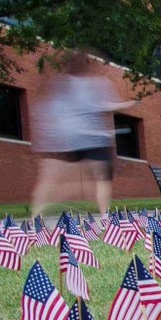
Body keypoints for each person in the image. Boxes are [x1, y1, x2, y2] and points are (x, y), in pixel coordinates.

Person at [30, 50, 137, 218]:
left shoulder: (60, 85)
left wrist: (48, 141)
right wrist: (126, 105)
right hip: (92, 140)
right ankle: (104, 216)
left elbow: (50, 113)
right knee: (102, 178)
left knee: (61, 177)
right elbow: (103, 106)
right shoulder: (95, 84)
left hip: (71, 140)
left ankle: (38, 212)